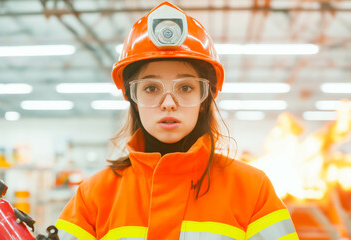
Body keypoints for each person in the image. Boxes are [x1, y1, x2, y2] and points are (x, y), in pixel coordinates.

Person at [55, 2, 299, 240]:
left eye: (185, 87)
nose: (169, 102)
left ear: (205, 98)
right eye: (151, 88)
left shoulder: (252, 190)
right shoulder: (93, 196)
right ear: (132, 98)